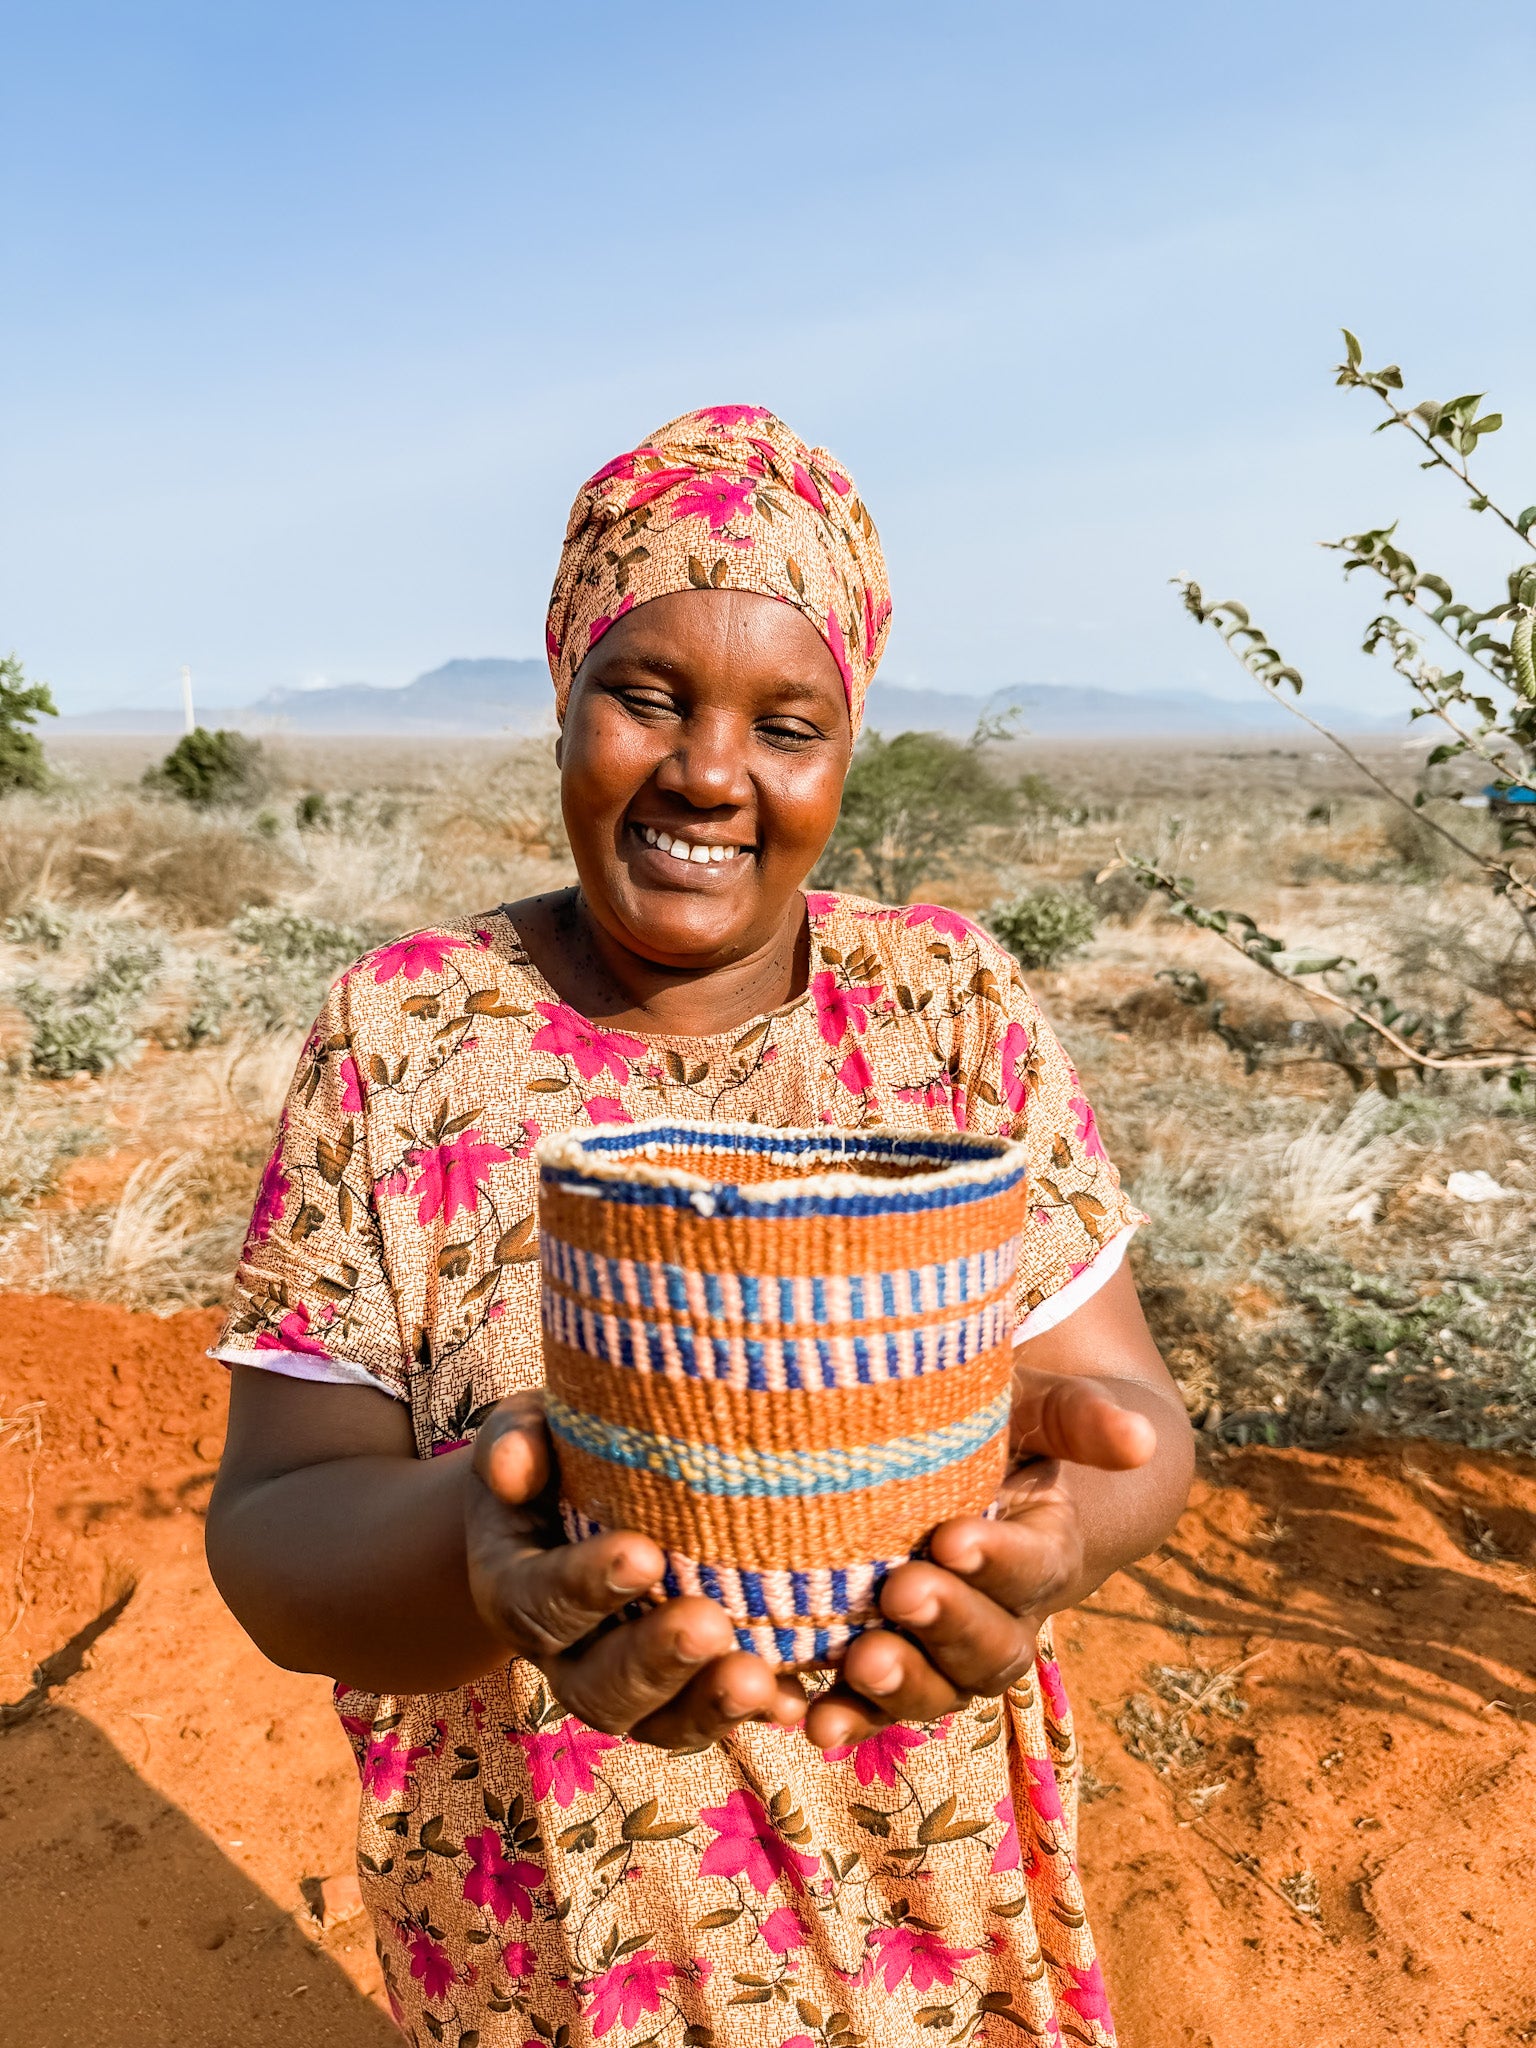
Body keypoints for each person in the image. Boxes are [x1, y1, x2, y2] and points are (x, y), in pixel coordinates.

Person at [206, 404, 1193, 2047]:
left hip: (923, 1899)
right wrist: (482, 1549)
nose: (711, 772)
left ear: (848, 749)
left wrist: (1065, 1531)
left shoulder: (944, 1006)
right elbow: (276, 1533)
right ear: (566, 696)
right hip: (562, 1918)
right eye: (646, 697)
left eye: (786, 724)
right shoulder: (410, 1038)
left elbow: (1132, 1424)